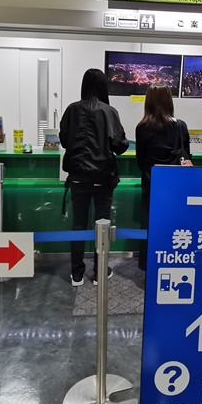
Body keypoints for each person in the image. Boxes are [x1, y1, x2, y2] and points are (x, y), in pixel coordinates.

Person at [60, 69, 129, 286]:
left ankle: (77, 273)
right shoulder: (109, 111)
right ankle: (100, 271)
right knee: (103, 225)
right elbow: (120, 146)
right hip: (103, 178)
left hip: (78, 177)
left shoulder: (72, 109)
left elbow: (63, 141)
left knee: (78, 225)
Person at [135, 83, 191, 270]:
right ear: (169, 100)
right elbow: (186, 156)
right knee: (174, 227)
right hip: (176, 187)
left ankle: (148, 265)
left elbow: (140, 160)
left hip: (152, 185)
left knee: (151, 227)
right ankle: (173, 263)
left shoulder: (142, 127)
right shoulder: (180, 126)